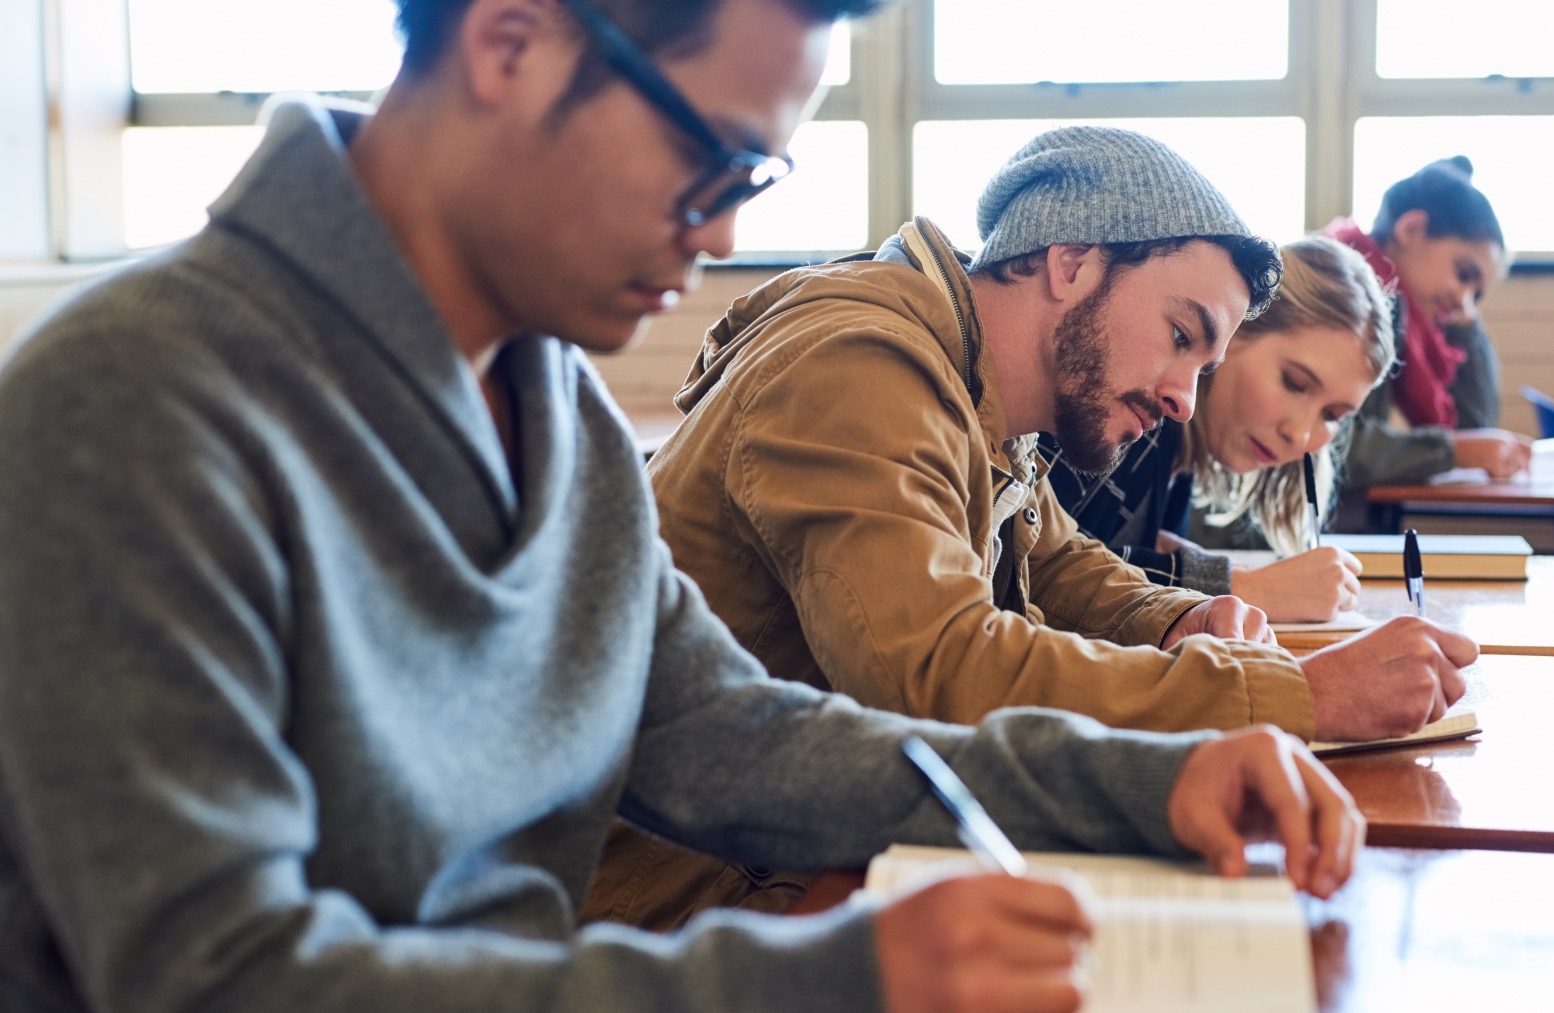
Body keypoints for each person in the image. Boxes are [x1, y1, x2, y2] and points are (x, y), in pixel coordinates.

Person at [0, 2, 1368, 1012]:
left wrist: (1145, 782)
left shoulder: (554, 407)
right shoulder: (137, 401)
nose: (719, 236)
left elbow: (724, 733)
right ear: (512, 41)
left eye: (749, 182)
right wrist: (825, 980)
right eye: (706, 160)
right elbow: (218, 978)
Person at [598, 126, 1474, 928]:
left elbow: (1060, 563)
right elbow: (939, 670)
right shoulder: (859, 364)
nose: (1184, 398)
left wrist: (1182, 618)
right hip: (692, 900)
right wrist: (1295, 696)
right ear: (1072, 261)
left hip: (809, 851)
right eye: (1181, 334)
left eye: (1205, 364)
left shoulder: (983, 391)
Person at [1044, 234, 1393, 623]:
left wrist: (1182, 561)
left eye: (1331, 415)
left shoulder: (1178, 459)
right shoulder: (1133, 410)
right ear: (1233, 329)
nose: (1301, 436)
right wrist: (1246, 588)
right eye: (1294, 383)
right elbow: (1032, 567)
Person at [1324, 157, 1534, 528]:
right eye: (1464, 273)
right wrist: (1451, 451)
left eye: (1477, 295)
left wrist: (1467, 323)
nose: (1463, 301)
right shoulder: (1345, 292)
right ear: (1411, 229)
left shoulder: (1407, 320)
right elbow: (1334, 445)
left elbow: (1475, 427)